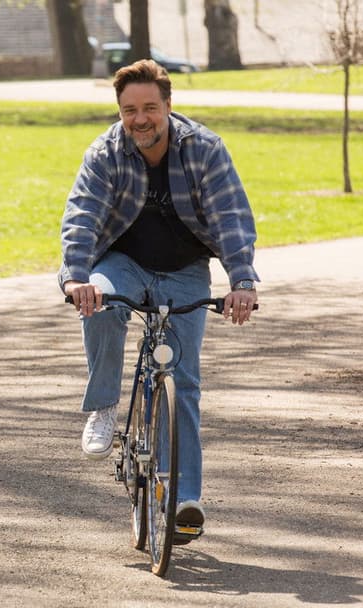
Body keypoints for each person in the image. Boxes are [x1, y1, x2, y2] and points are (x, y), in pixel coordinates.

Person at [59, 59, 259, 533]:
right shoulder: (105, 152)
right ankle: (105, 407)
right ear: (120, 112)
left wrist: (242, 283)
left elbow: (231, 218)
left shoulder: (205, 150)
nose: (140, 118)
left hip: (185, 270)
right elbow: (82, 216)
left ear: (168, 105)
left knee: (183, 382)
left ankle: (185, 500)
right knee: (100, 304)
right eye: (130, 110)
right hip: (122, 264)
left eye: (150, 107)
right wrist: (75, 277)